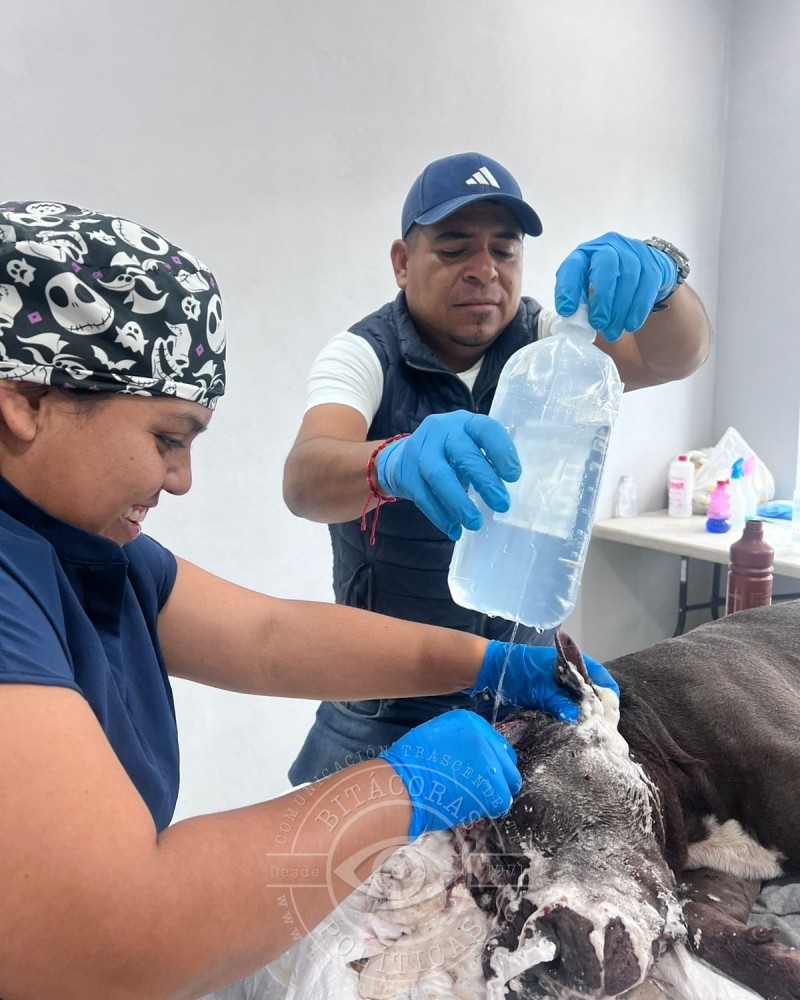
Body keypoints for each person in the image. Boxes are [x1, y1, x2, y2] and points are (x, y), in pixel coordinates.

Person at [0, 200, 621, 1000]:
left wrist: (490, 664)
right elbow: (112, 940)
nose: (180, 479)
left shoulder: (87, 551)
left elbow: (265, 636)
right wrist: (396, 788)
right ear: (26, 401)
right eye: (167, 438)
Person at [283, 151, 712, 784]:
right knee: (349, 847)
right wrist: (388, 462)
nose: (484, 269)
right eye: (454, 248)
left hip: (524, 684)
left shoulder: (546, 341)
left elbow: (675, 357)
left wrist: (665, 279)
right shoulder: (365, 354)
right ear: (402, 262)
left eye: (504, 250)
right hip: (386, 701)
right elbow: (305, 478)